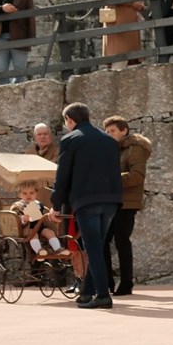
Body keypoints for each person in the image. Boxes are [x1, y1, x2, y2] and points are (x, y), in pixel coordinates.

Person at [48, 102, 124, 310]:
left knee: (93, 248)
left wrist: (56, 205)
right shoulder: (109, 140)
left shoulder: (71, 139)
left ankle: (102, 295)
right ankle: (87, 292)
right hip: (111, 199)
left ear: (69, 120)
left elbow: (62, 175)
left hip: (86, 200)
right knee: (97, 246)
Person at [101, 116, 152, 297]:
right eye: (107, 132)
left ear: (124, 130)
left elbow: (137, 175)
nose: (109, 134)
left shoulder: (135, 148)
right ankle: (106, 282)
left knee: (122, 240)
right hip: (111, 200)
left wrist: (110, 179)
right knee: (102, 240)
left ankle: (126, 283)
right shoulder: (111, 149)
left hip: (126, 202)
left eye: (113, 131)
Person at [11, 180, 68, 261]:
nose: (28, 195)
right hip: (28, 228)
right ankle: (39, 251)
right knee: (34, 235)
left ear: (36, 194)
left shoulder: (38, 204)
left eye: (31, 193)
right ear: (19, 194)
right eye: (25, 193)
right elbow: (15, 218)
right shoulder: (18, 206)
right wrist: (23, 219)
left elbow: (43, 214)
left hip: (40, 226)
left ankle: (58, 249)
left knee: (50, 232)